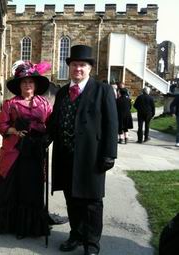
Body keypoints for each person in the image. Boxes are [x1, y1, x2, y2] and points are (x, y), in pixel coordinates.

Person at [47, 45, 118, 255]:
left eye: (83, 65)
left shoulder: (102, 90)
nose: (78, 69)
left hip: (91, 157)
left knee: (92, 203)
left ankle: (92, 245)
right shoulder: (62, 93)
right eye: (75, 65)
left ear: (90, 68)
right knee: (72, 199)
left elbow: (111, 125)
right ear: (69, 67)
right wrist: (41, 140)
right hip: (66, 156)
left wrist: (109, 154)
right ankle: (76, 236)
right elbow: (54, 123)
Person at [0, 61, 52, 239]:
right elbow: (1, 125)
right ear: (19, 85)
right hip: (15, 151)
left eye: (30, 82)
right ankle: (10, 224)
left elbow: (50, 123)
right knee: (13, 187)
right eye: (24, 82)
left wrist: (47, 136)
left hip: (35, 153)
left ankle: (30, 226)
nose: (27, 85)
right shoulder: (10, 104)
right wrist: (14, 131)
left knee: (31, 189)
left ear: (35, 85)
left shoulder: (44, 104)